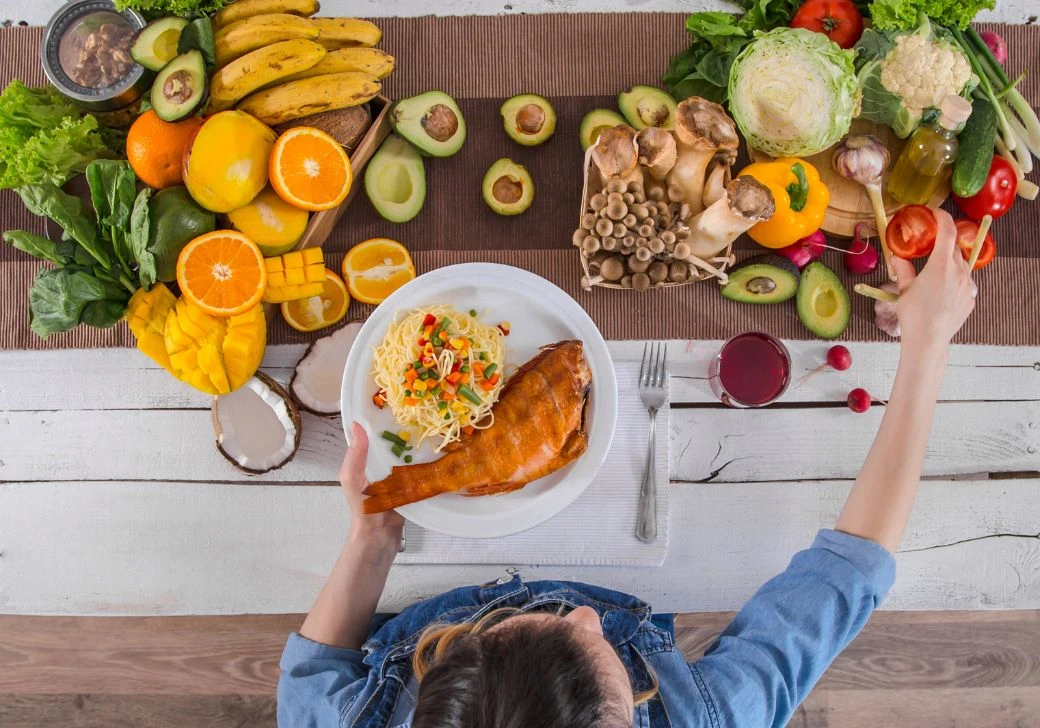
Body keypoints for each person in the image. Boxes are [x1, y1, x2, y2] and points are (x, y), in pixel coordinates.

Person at [277, 209, 976, 728]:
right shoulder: (706, 717)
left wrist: (373, 541)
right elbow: (848, 574)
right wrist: (929, 345)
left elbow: (309, 679)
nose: (585, 614)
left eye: (508, 629)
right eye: (601, 648)